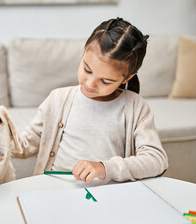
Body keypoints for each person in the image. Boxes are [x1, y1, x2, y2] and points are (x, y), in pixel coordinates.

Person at [12, 17, 168, 183]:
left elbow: (156, 159)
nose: (90, 84)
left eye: (106, 81)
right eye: (87, 69)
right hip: (53, 190)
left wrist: (104, 168)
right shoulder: (57, 99)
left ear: (127, 77)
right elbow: (25, 145)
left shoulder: (136, 107)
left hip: (105, 197)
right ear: (85, 48)